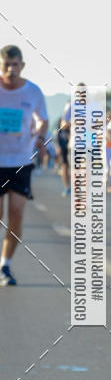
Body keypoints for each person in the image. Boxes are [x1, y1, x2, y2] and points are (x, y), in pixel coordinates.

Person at [0, 44, 48, 286]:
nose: (11, 69)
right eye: (6, 65)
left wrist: (39, 137)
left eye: (15, 64)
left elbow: (43, 120)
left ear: (22, 65)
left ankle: (5, 265)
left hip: (21, 161)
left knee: (17, 214)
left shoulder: (33, 92)